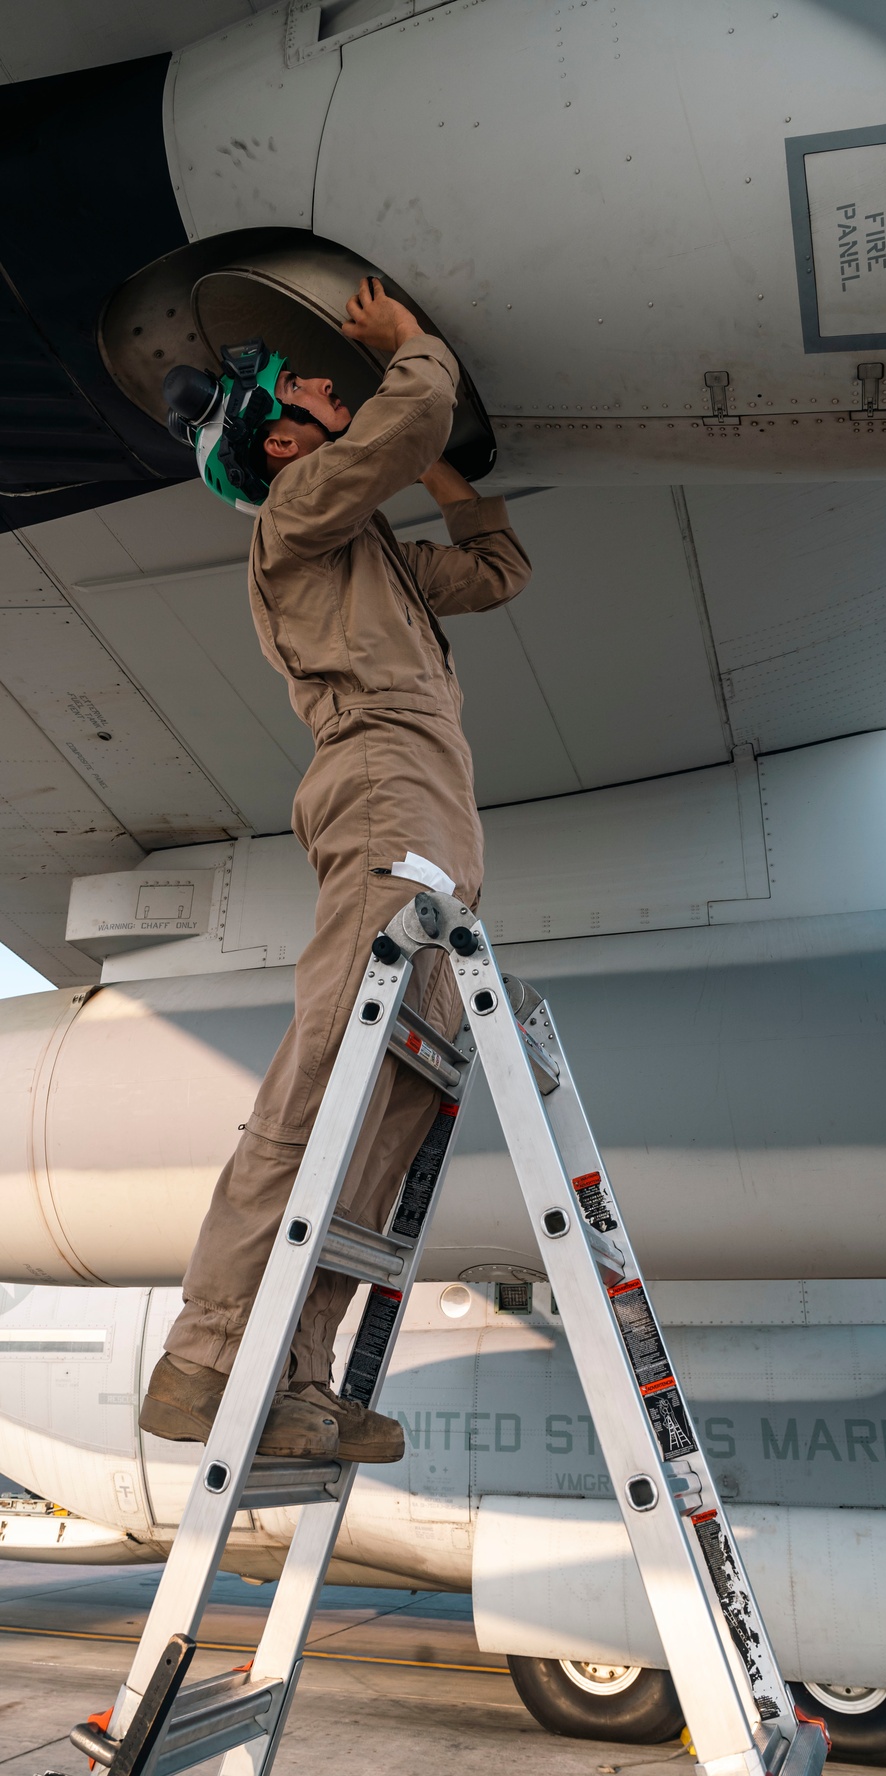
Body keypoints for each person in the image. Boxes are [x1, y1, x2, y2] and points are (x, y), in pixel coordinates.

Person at [140, 278, 531, 1464]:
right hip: (381, 794)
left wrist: (424, 469)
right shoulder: (297, 513)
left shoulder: (374, 555)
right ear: (279, 444)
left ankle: (294, 1380)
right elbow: (405, 416)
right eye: (310, 393)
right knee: (327, 1076)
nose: (328, 390)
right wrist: (409, 351)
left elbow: (500, 563)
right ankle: (207, 1359)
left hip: (431, 808)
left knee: (392, 1110)